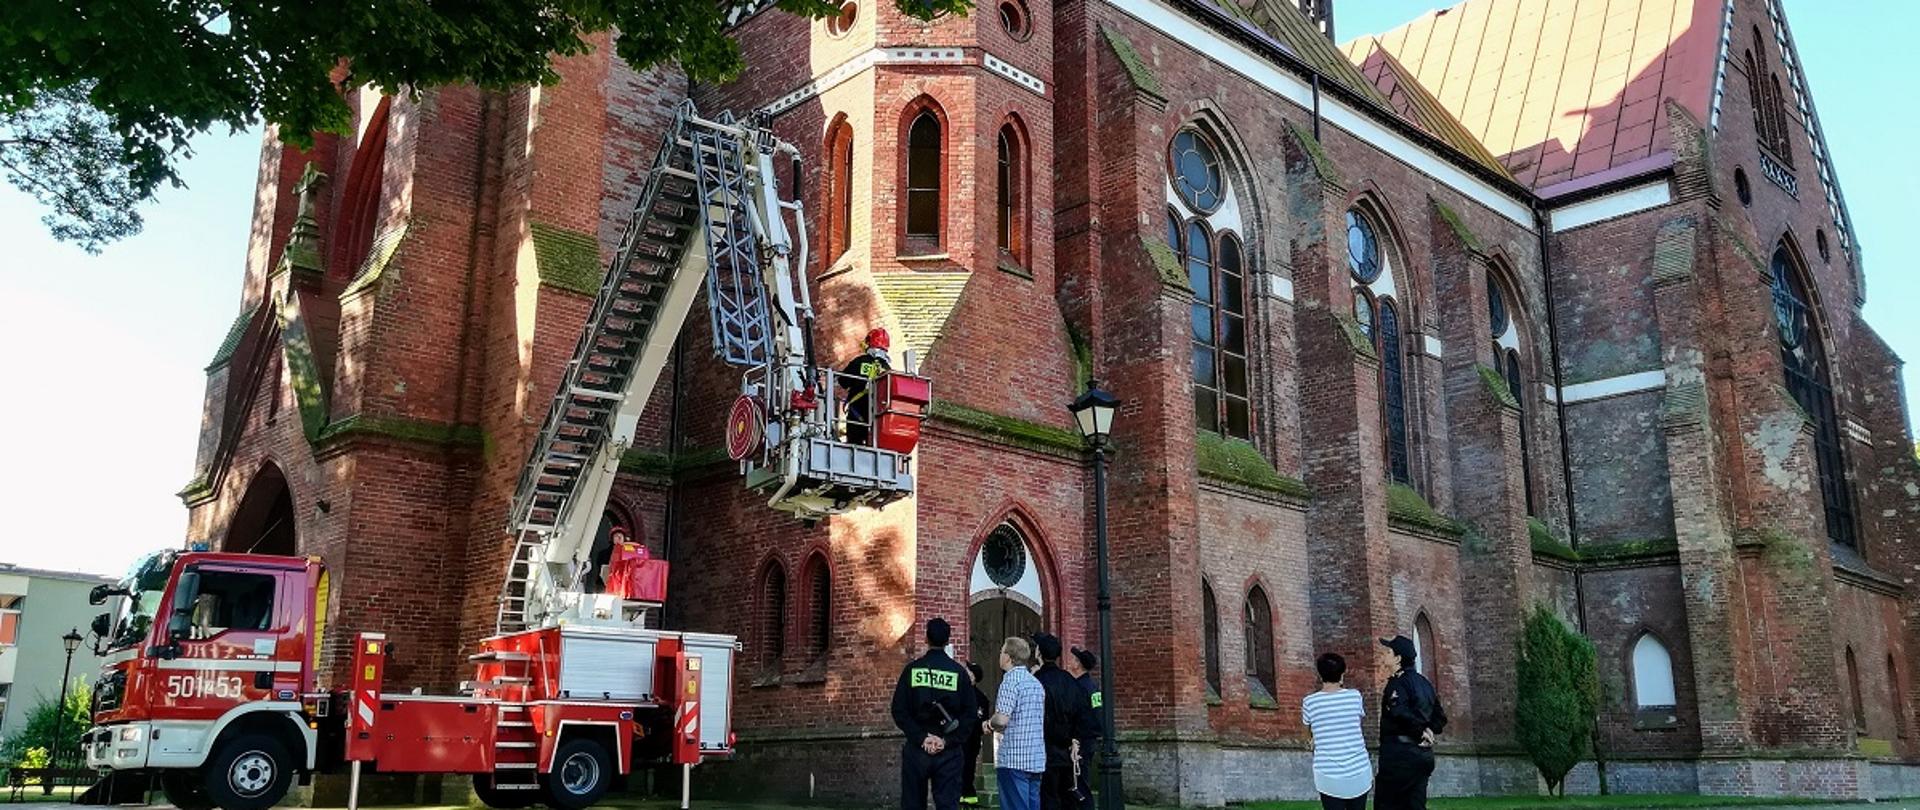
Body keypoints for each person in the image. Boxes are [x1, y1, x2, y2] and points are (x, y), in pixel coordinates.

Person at [891, 618, 978, 810]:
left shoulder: (912, 670)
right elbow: (970, 714)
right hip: (949, 752)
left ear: (925, 639)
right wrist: (946, 741)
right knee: (948, 805)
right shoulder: (959, 673)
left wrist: (921, 737)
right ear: (948, 641)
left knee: (913, 804)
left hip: (917, 750)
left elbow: (899, 710)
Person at [1375, 635, 1447, 810]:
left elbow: (1399, 712)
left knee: (1387, 804)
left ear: (1398, 659)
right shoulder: (1424, 683)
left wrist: (1421, 731)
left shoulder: (1398, 684)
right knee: (1415, 805)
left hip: (1400, 756)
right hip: (1423, 755)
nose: (1384, 656)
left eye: (1388, 652)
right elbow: (1440, 718)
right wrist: (1429, 729)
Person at [1028, 634, 1092, 810]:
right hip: (1067, 751)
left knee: (1047, 798)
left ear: (1039, 653)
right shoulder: (1069, 681)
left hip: (1043, 749)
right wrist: (1075, 740)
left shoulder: (1036, 681)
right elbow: (1083, 714)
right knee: (1067, 798)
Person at [1302, 652, 1372, 810]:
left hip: (1327, 772)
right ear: (1342, 674)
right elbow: (1356, 723)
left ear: (1320, 674)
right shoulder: (1354, 697)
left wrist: (1311, 740)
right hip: (1358, 768)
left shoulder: (1310, 702)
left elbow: (1306, 732)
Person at [987, 636, 1045, 810]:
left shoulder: (1010, 680)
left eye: (1002, 651)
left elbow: (1002, 719)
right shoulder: (1035, 683)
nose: (1000, 655)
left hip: (1014, 758)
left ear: (1008, 657)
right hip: (1035, 758)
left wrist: (989, 724)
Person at [838, 327, 893, 445]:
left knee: (853, 445)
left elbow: (843, 381)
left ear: (870, 342)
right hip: (877, 418)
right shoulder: (888, 370)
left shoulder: (860, 362)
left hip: (857, 413)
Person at [1066, 647, 1101, 810]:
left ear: (1078, 665)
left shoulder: (1078, 687)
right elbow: (1097, 712)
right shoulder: (1093, 685)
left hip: (1079, 741)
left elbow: (1076, 714)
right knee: (1082, 780)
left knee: (1078, 782)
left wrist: (1075, 738)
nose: (1070, 661)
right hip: (1090, 738)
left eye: (1073, 659)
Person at [961, 661, 991, 806]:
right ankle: (966, 797)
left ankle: (966, 797)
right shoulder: (981, 698)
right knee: (967, 768)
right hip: (970, 740)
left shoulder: (976, 698)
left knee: (966, 768)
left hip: (967, 739)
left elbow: (983, 722)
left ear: (973, 676)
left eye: (967, 671)